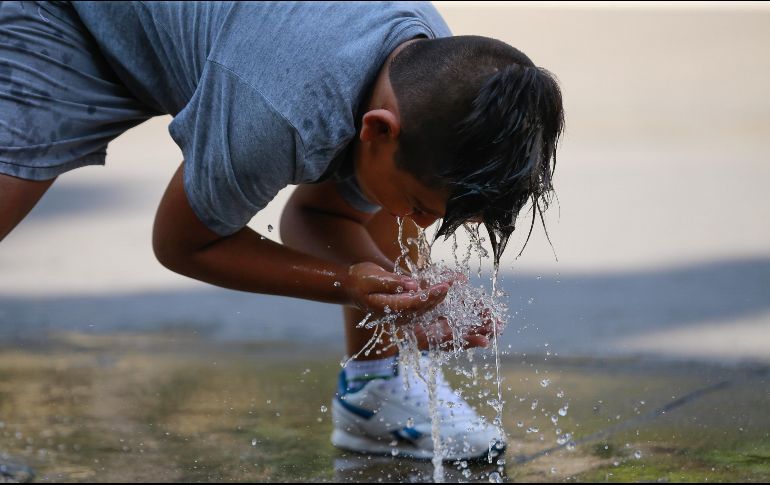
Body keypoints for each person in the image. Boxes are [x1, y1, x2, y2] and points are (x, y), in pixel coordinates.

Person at [0, 2, 563, 461]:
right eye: (422, 206)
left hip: (233, 39)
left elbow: (322, 215)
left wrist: (396, 296)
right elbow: (182, 243)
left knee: (388, 197)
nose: (421, 226)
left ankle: (377, 391)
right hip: (70, 19)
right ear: (376, 129)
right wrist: (344, 282)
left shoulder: (430, 68)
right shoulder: (282, 110)